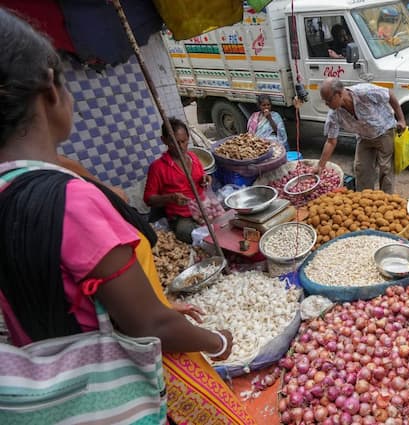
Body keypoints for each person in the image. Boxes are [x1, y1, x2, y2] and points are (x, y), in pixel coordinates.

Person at [0, 9, 253, 424]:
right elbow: (149, 326)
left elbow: (74, 295)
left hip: (53, 396)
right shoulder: (72, 200)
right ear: (49, 90)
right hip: (115, 396)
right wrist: (217, 341)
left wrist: (161, 304)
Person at [316, 77, 406, 192]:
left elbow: (390, 95)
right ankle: (364, 199)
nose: (326, 104)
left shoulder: (364, 92)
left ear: (338, 94)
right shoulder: (334, 114)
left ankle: (386, 200)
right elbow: (331, 141)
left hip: (384, 131)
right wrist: (320, 165)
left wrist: (401, 119)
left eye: (328, 100)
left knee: (386, 169)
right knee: (361, 169)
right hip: (364, 137)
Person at [144, 118, 211, 244]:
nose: (180, 146)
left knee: (226, 224)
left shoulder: (193, 157)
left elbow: (202, 177)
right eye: (174, 142)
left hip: (204, 208)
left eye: (183, 141)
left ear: (188, 138)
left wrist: (205, 179)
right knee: (187, 232)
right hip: (182, 217)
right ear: (164, 141)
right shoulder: (158, 167)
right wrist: (170, 198)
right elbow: (148, 199)